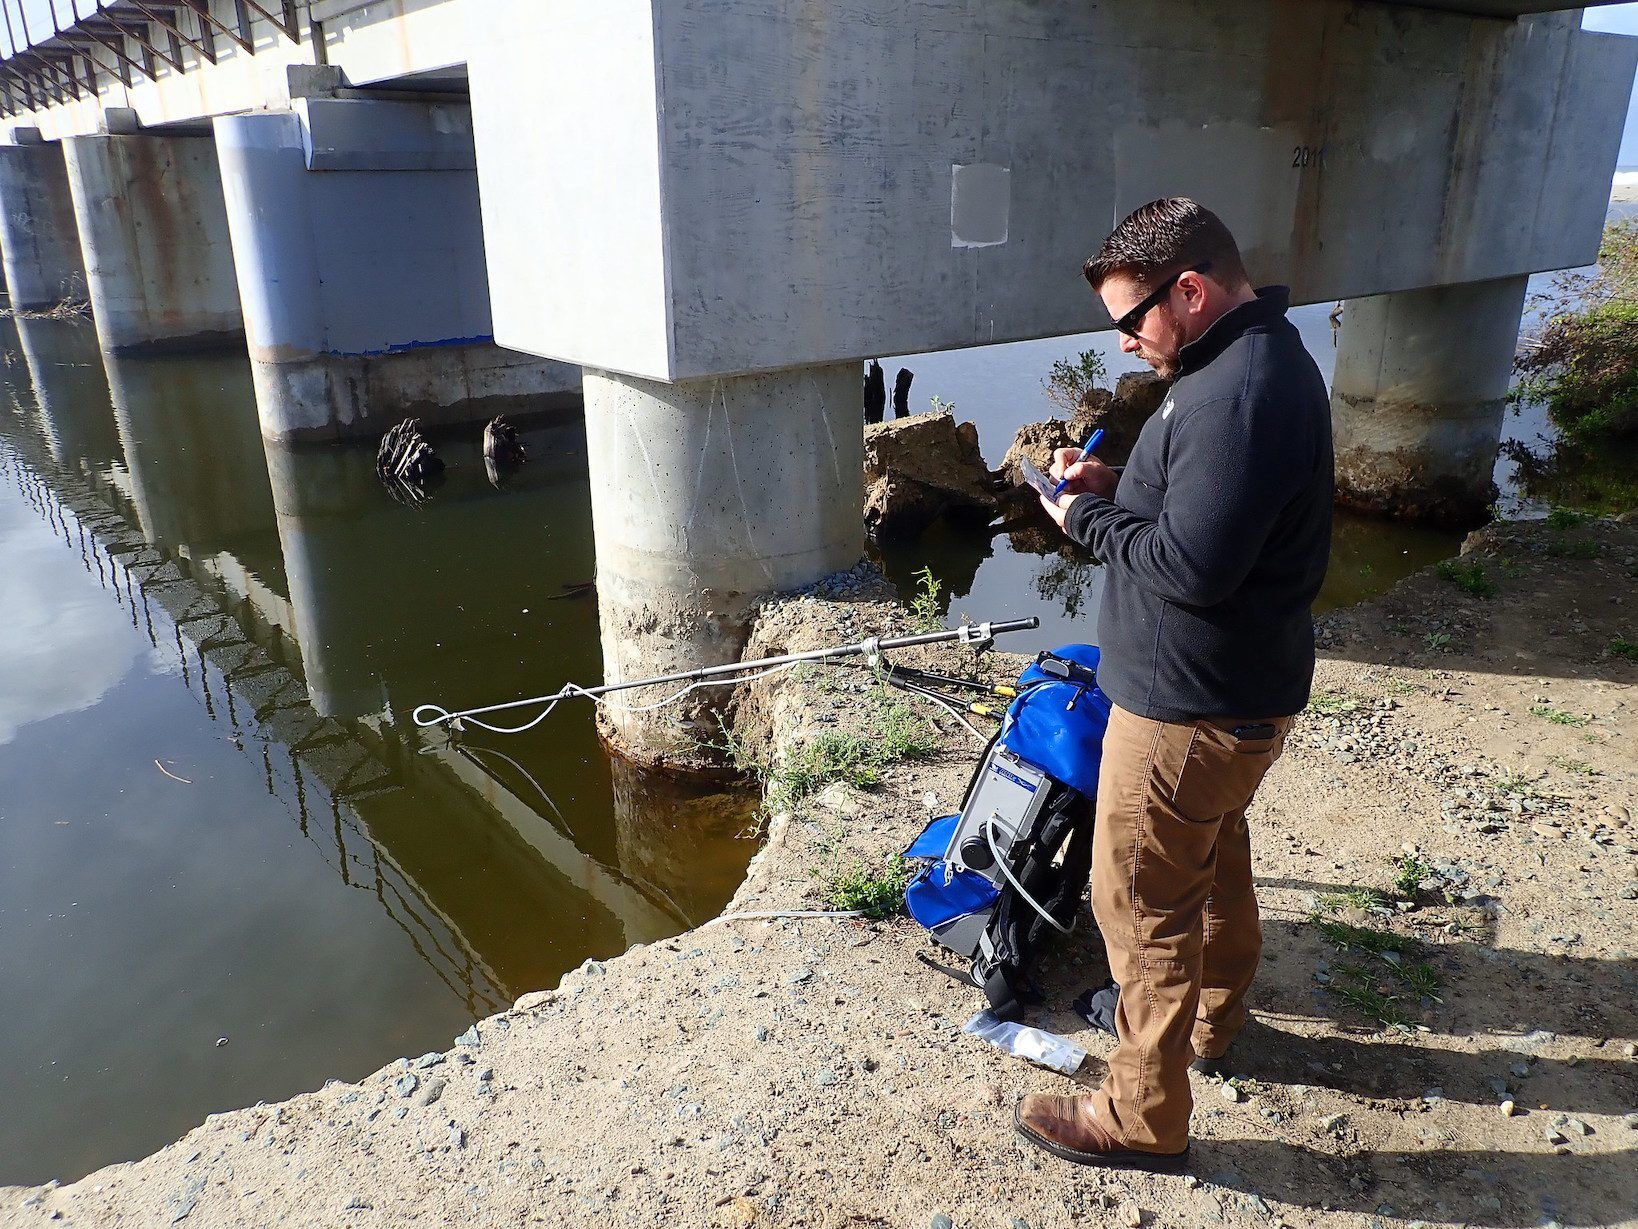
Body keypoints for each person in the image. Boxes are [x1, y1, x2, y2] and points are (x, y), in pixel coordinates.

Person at [1014, 198, 1334, 1170]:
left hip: (1190, 711)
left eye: (1130, 320)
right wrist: (1113, 486)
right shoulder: (1237, 364)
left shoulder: (1237, 393)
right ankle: (1210, 1018)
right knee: (1210, 855)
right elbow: (1205, 514)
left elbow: (1193, 570)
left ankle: (1142, 1114)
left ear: (1188, 290)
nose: (1122, 341)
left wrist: (1079, 518)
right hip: (1231, 702)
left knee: (1140, 899)